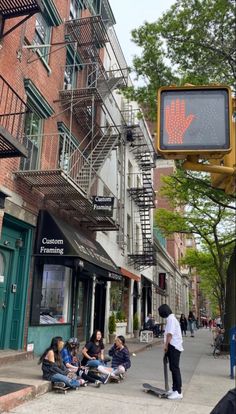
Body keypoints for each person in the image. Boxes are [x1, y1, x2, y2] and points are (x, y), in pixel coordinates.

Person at [158, 304, 183, 400]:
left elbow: (169, 335)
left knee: (175, 368)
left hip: (174, 346)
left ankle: (178, 391)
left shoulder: (171, 320)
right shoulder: (170, 319)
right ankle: (174, 389)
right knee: (172, 368)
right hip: (173, 346)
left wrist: (166, 346)